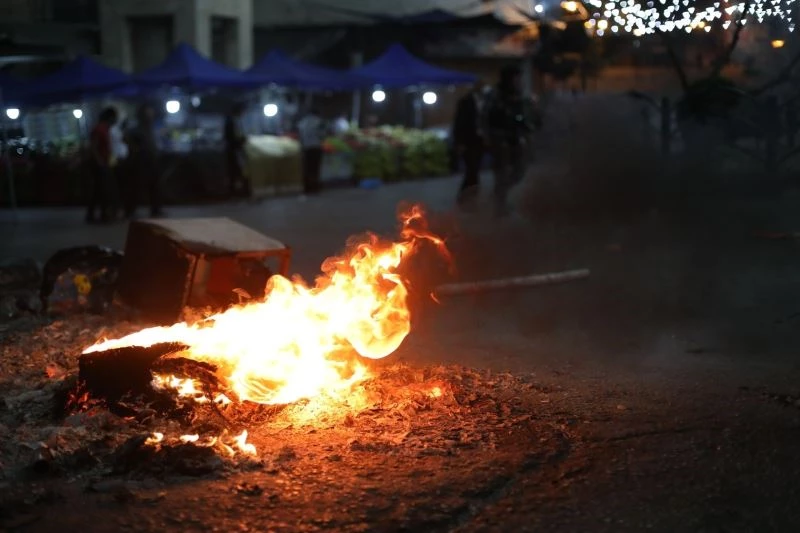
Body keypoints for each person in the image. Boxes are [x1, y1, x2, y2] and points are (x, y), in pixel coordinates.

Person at [482, 65, 539, 218]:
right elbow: (487, 118)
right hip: (500, 140)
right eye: (516, 78)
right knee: (502, 175)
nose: (518, 82)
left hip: (515, 138)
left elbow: (526, 117)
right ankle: (499, 207)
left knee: (519, 171)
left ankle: (504, 200)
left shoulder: (519, 96)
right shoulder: (495, 96)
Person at [124, 104, 164, 218]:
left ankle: (156, 209)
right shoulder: (137, 129)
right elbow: (126, 138)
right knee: (137, 187)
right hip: (141, 161)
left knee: (155, 186)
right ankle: (130, 210)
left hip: (152, 161)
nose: (151, 115)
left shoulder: (151, 128)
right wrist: (136, 150)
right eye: (148, 113)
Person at [452, 79, 487, 206]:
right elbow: (459, 122)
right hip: (468, 141)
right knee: (471, 169)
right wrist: (459, 142)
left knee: (475, 169)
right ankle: (465, 197)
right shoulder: (465, 101)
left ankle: (470, 196)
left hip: (479, 141)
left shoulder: (484, 101)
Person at [86, 106, 118, 224]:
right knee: (104, 189)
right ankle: (104, 215)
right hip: (99, 164)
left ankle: (94, 214)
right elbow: (93, 147)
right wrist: (100, 162)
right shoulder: (99, 129)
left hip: (103, 163)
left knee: (99, 190)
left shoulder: (105, 129)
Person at [297, 107, 328, 195]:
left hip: (306, 148)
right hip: (316, 147)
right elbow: (322, 135)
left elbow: (300, 136)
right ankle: (314, 187)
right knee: (315, 169)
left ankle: (307, 188)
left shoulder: (302, 122)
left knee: (307, 169)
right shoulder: (319, 122)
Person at [224, 102, 252, 198]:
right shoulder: (231, 122)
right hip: (234, 151)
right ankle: (240, 193)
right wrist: (241, 141)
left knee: (237, 173)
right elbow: (231, 138)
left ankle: (239, 192)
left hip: (235, 150)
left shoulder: (235, 121)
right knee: (237, 172)